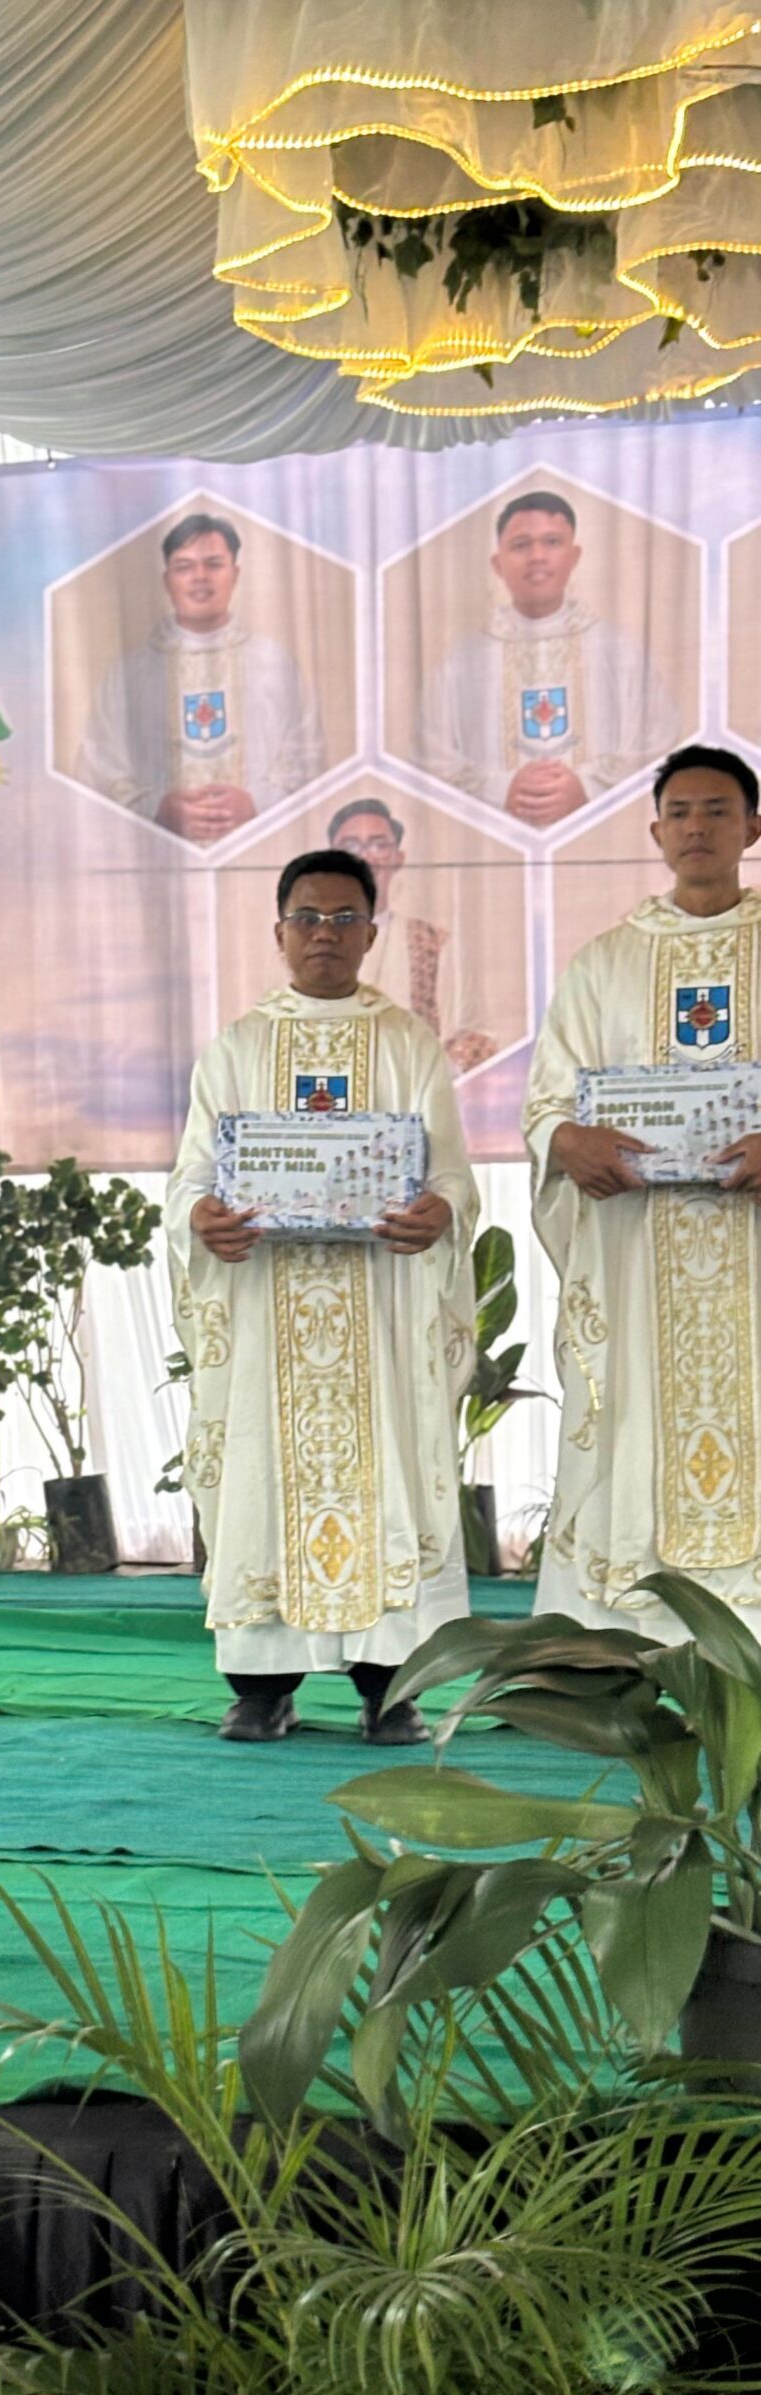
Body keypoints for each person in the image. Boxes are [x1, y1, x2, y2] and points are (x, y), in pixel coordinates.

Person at [169, 847, 479, 1741]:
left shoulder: (407, 1045)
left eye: (345, 919)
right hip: (271, 1311)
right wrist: (199, 1216)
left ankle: (392, 1684)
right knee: (263, 1476)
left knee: (387, 1477)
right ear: (278, 932)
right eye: (308, 917)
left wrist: (439, 1210)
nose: (325, 934)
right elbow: (192, 1173)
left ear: (372, 933)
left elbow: (452, 1172)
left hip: (378, 1307)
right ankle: (262, 1686)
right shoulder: (239, 1046)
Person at [527, 743, 761, 1636]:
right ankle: (623, 1638)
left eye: (718, 810)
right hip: (637, 1259)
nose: (697, 827)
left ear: (753, 827)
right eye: (681, 812)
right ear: (656, 830)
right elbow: (552, 1096)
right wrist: (564, 1138)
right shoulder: (605, 963)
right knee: (637, 1424)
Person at [418, 489, 677, 828]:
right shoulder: (462, 662)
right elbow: (428, 756)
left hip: (598, 837)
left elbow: (659, 743)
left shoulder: (618, 650)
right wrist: (501, 788)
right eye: (521, 545)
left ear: (574, 555)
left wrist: (586, 787)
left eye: (552, 542)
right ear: (498, 563)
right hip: (497, 843)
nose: (537, 556)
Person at [78, 512, 324, 843]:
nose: (199, 577)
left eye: (213, 564)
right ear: (167, 580)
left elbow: (309, 761)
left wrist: (256, 802)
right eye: (184, 567)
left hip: (258, 847)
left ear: (235, 574)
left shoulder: (274, 665)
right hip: (160, 857)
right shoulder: (129, 676)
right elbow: (98, 772)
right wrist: (157, 808)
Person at [328, 796, 499, 1074]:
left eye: (379, 844)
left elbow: (475, 1038)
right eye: (350, 846)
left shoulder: (435, 944)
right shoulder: (304, 944)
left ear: (398, 858)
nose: (366, 856)